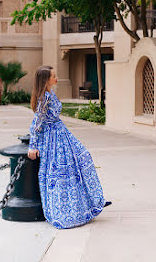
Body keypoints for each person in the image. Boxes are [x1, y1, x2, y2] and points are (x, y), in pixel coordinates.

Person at [27, 65, 109, 229]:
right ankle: (65, 212)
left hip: (62, 135)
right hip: (53, 140)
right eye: (53, 76)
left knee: (82, 160)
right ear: (46, 80)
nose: (56, 78)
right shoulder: (45, 98)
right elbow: (36, 123)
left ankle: (91, 202)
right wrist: (33, 146)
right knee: (61, 173)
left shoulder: (50, 94)